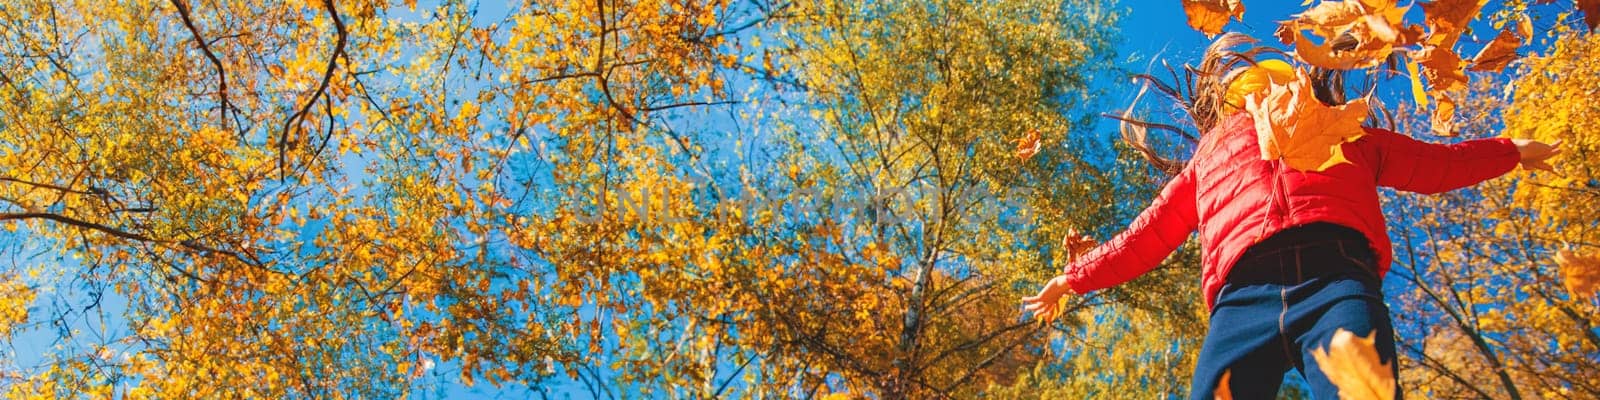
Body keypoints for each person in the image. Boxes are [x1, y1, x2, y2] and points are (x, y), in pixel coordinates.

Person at [1019, 39, 1564, 399]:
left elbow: (1435, 163)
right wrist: (1074, 276)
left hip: (1338, 283)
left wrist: (1510, 149)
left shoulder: (1341, 130)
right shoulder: (1210, 154)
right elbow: (1150, 232)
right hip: (1240, 302)